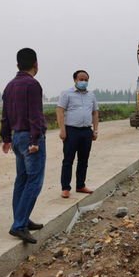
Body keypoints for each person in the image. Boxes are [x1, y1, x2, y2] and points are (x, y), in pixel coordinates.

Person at [0, 48, 46, 244]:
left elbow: (5, 115)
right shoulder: (32, 84)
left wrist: (5, 138)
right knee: (34, 181)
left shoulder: (10, 86)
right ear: (36, 63)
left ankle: (22, 219)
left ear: (18, 64)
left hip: (17, 137)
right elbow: (35, 115)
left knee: (22, 179)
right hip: (30, 138)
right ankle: (19, 225)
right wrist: (35, 140)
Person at [56, 70, 99, 198]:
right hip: (71, 131)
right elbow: (60, 111)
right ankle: (65, 188)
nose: (83, 82)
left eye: (86, 80)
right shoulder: (66, 94)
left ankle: (80, 185)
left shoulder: (91, 95)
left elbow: (95, 112)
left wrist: (95, 130)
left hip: (86, 131)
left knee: (83, 160)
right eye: (81, 79)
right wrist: (62, 130)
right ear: (75, 80)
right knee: (68, 160)